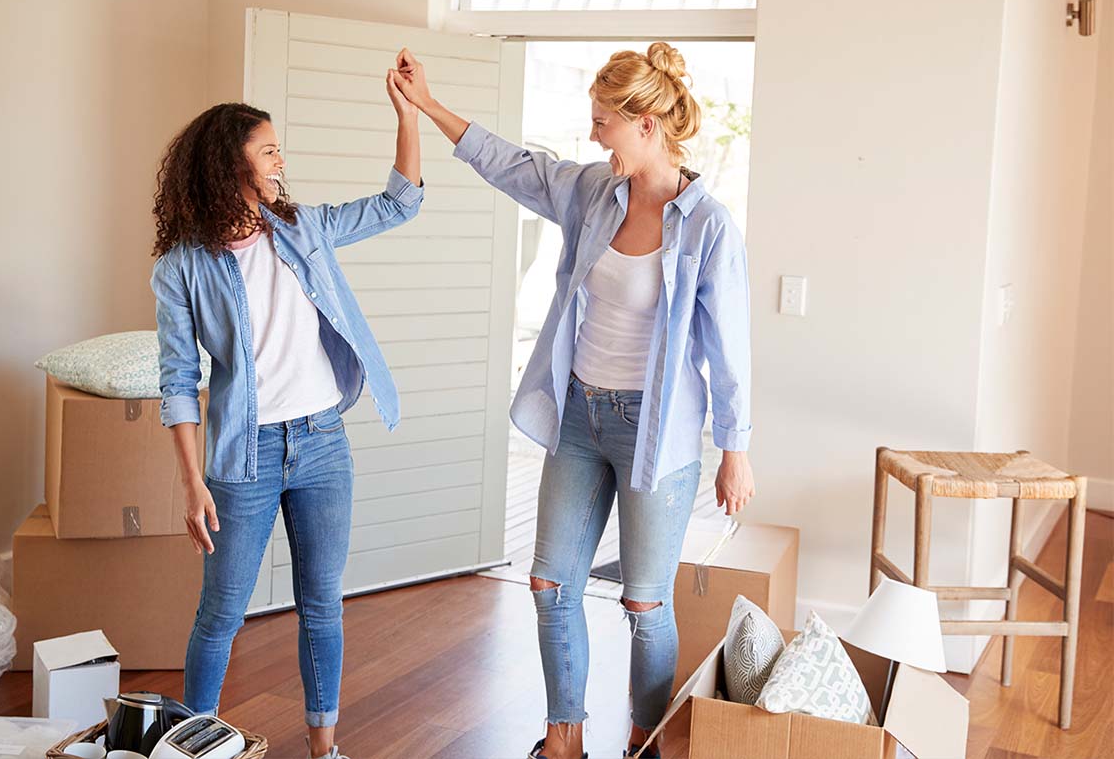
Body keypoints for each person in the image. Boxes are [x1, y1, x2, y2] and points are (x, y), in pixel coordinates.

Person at [392, 43, 754, 759]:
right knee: (550, 582)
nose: (593, 136)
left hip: (657, 432)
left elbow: (729, 351)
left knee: (644, 603)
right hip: (581, 416)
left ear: (645, 123)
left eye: (602, 122)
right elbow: (513, 165)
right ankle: (564, 741)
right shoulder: (594, 192)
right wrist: (427, 104)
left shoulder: (708, 228)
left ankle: (645, 741)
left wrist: (736, 453)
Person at [150, 67, 423, 759]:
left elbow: (399, 205)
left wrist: (408, 111)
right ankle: (191, 747)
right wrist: (191, 483)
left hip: (323, 442)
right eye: (268, 150)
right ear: (229, 164)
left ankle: (323, 747)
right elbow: (180, 381)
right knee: (221, 614)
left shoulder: (303, 229)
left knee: (321, 606)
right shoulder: (183, 266)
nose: (280, 160)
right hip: (244, 455)